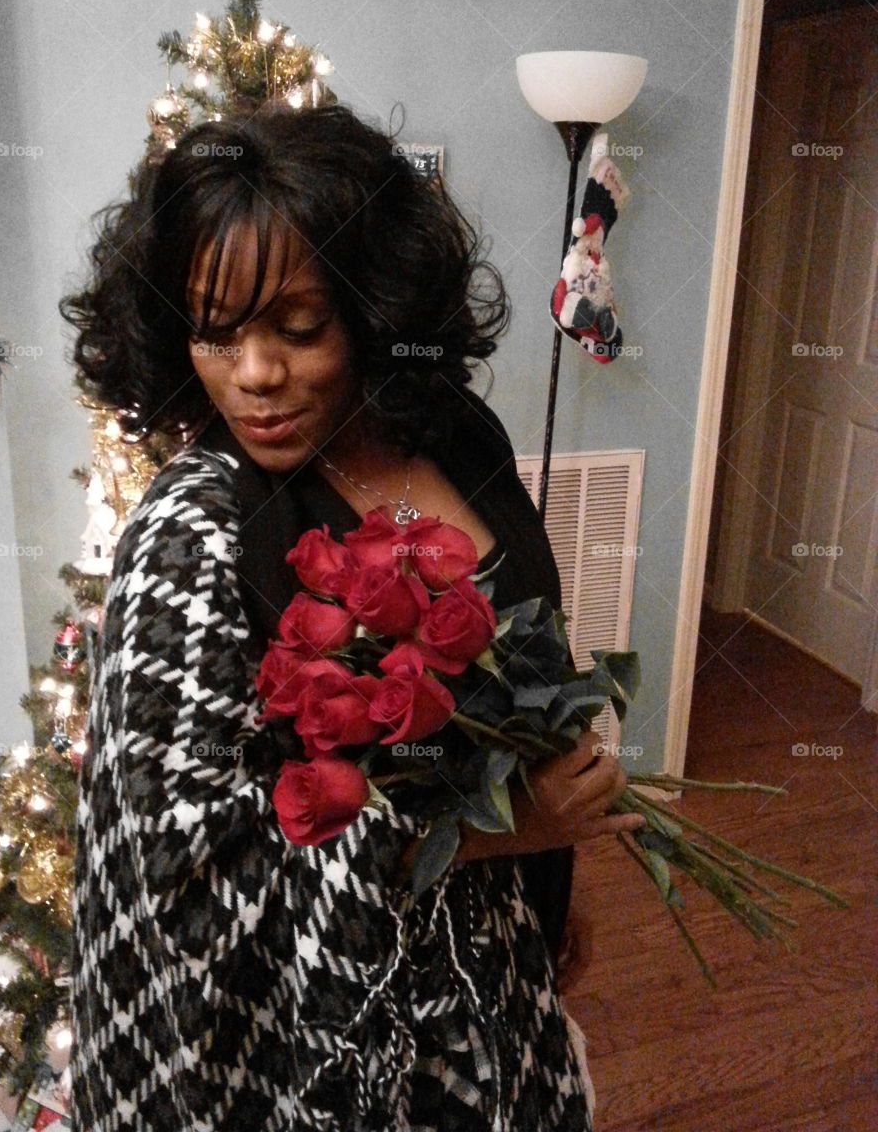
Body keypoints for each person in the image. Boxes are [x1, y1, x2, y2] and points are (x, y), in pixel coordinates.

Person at [62, 97, 645, 1132]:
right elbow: (181, 880)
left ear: (373, 307)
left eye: (297, 326)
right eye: (213, 329)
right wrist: (489, 835)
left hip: (497, 1003)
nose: (254, 375)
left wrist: (556, 878)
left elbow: (527, 675)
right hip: (344, 1067)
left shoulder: (455, 433)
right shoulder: (194, 538)